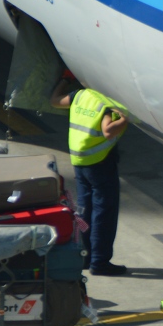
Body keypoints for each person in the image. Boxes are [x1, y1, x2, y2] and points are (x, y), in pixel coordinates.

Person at [50, 72, 129, 276]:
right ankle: (100, 262)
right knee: (103, 212)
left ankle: (84, 256)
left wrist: (65, 80)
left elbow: (55, 101)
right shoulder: (104, 103)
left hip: (79, 161)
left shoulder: (79, 95)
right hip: (100, 162)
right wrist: (125, 119)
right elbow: (109, 131)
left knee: (84, 210)